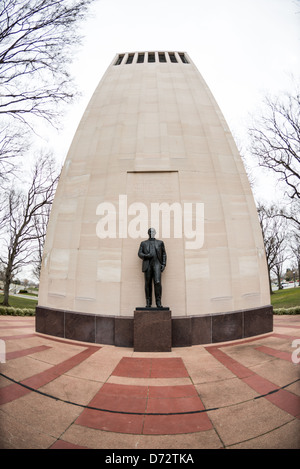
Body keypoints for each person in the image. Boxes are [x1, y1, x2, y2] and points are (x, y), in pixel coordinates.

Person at [138, 228, 167, 307]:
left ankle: (158, 302)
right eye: (150, 232)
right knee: (147, 284)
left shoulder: (160, 243)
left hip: (157, 264)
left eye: (153, 231)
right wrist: (146, 256)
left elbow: (164, 254)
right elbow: (140, 253)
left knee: (157, 282)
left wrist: (163, 264)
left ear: (155, 233)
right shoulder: (143, 243)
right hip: (147, 265)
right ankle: (148, 302)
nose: (152, 233)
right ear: (148, 233)